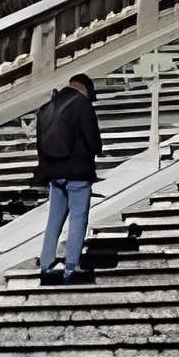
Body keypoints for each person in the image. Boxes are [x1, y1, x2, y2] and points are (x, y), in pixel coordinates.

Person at [35, 73, 103, 286]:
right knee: (77, 218)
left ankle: (46, 263)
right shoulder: (82, 105)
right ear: (85, 90)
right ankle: (71, 267)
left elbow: (40, 144)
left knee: (54, 220)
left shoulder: (48, 108)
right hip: (78, 173)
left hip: (54, 173)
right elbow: (92, 139)